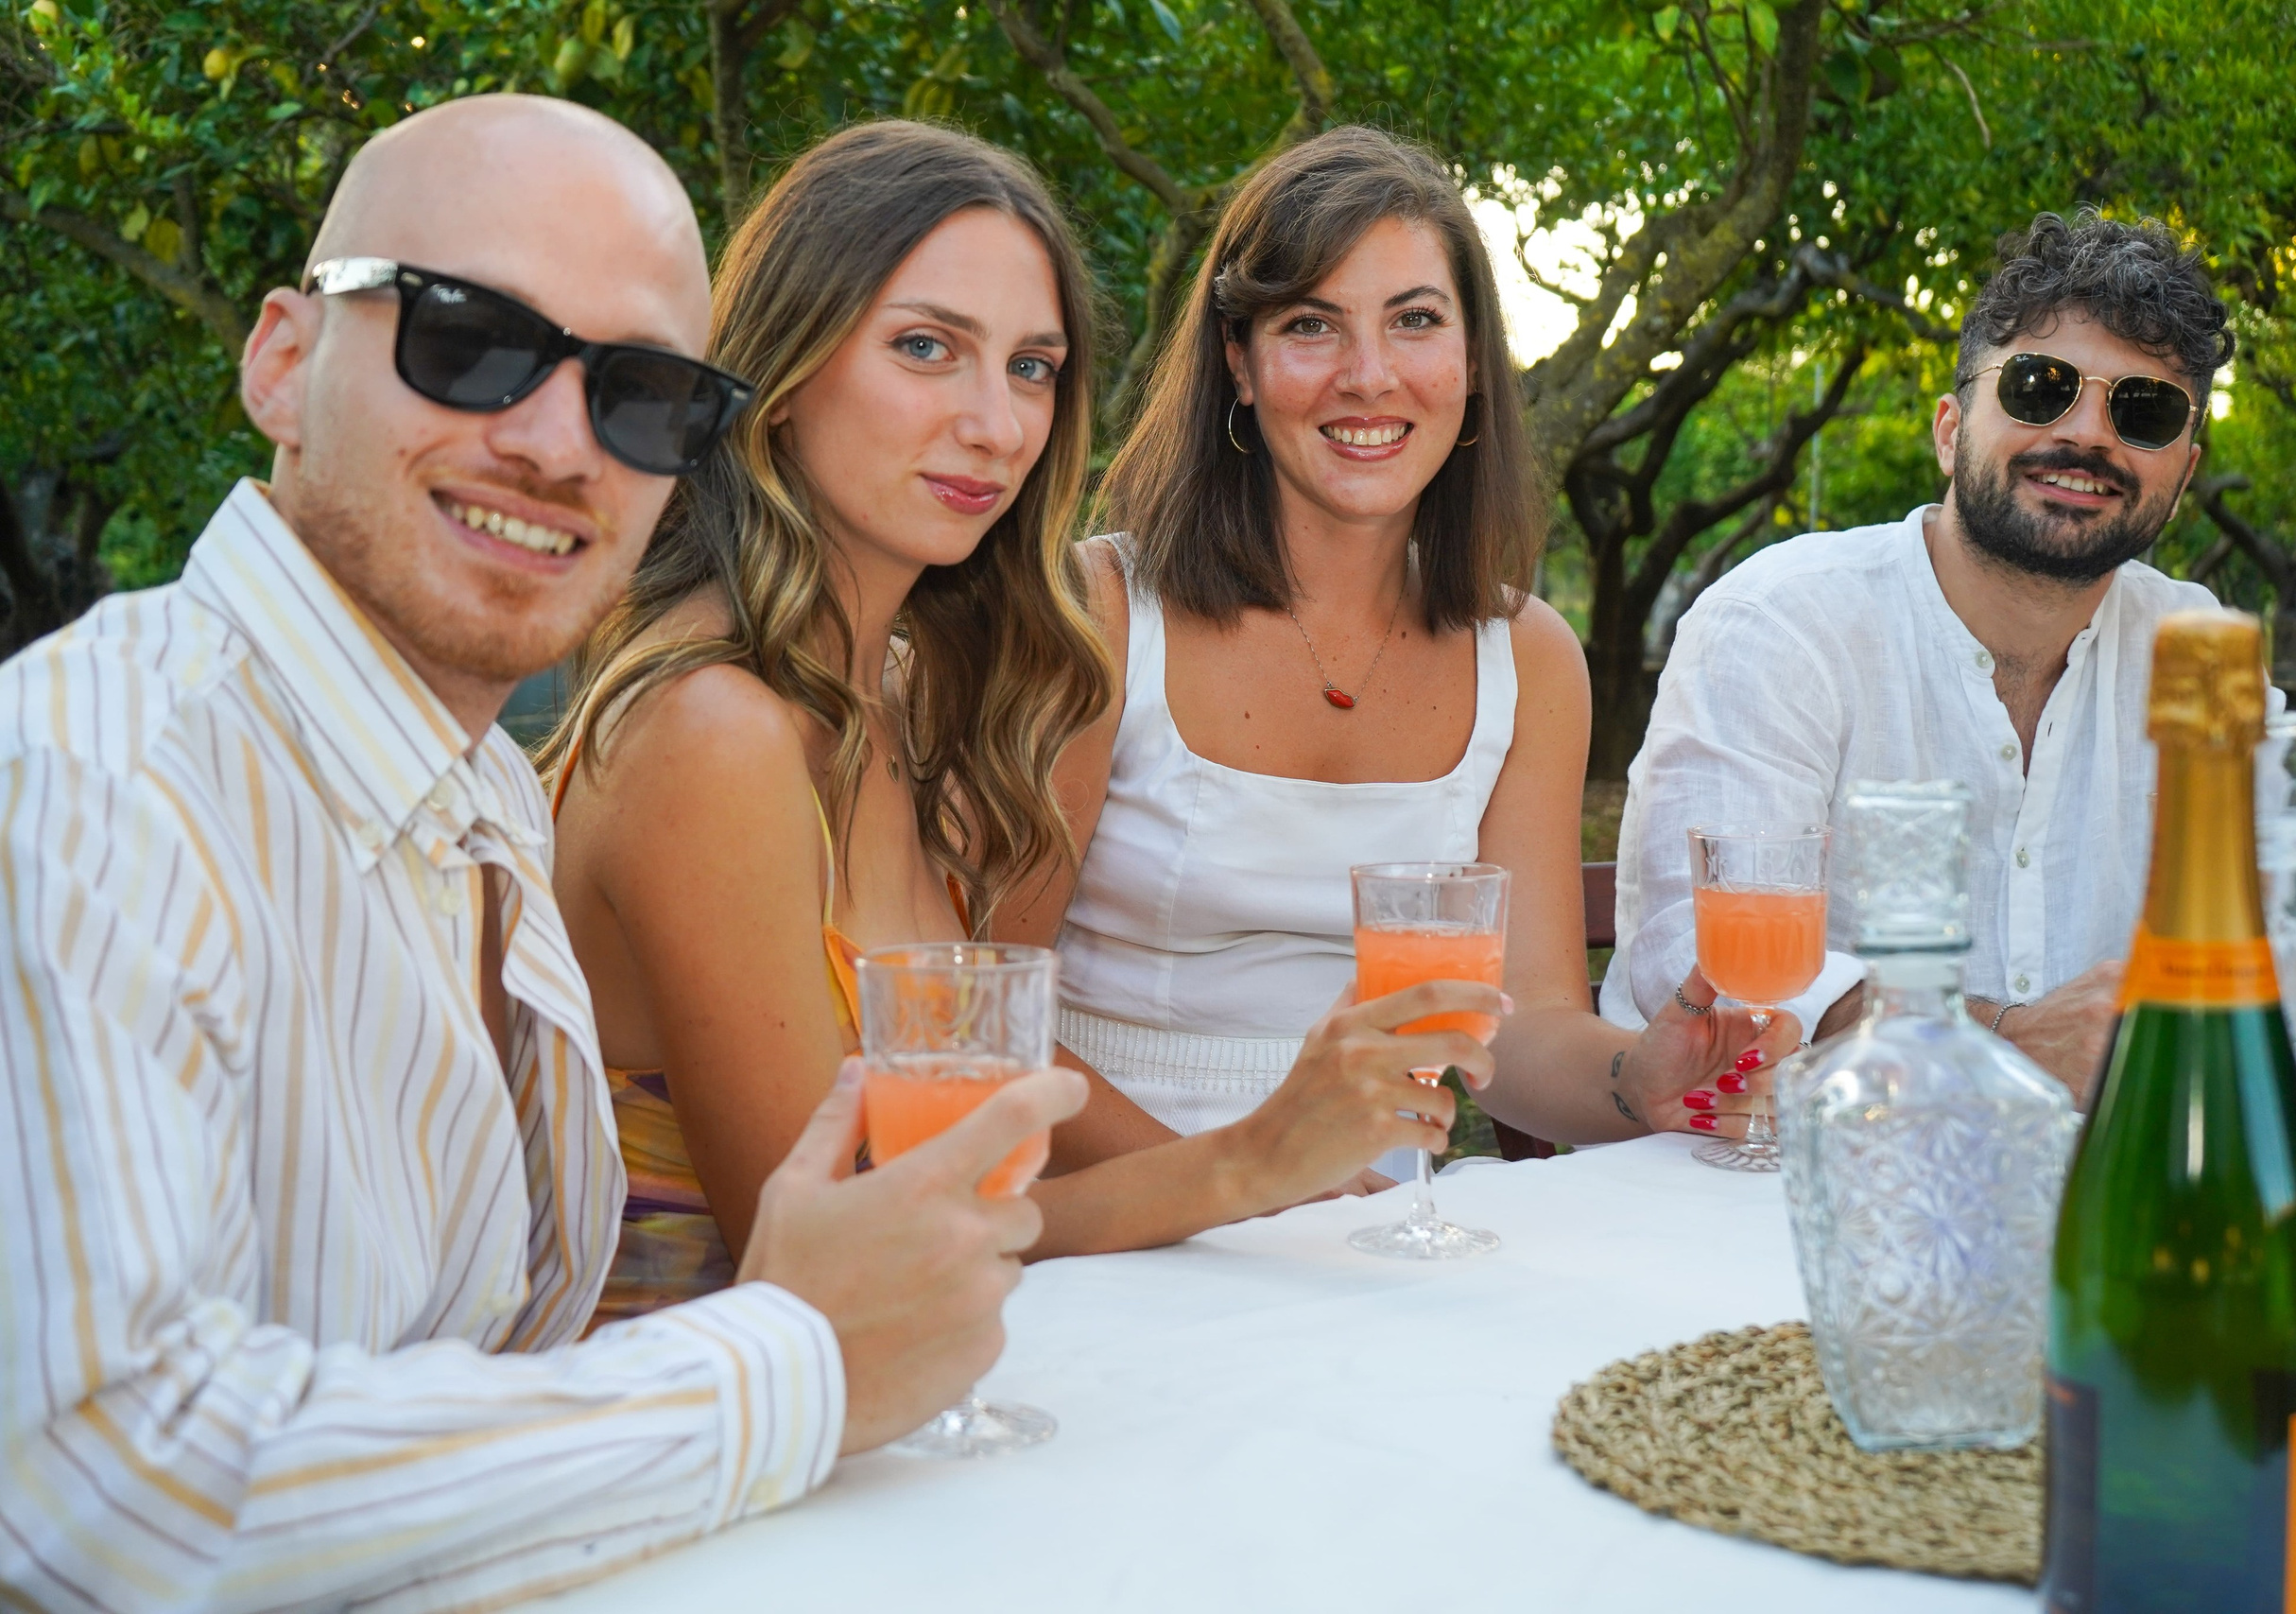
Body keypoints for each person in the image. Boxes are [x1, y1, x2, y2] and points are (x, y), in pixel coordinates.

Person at [0, 96, 1088, 1614]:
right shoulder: (90, 779)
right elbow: (105, 1489)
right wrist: (784, 1361)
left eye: (639, 394)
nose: (555, 442)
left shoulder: (478, 792)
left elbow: (494, 1360)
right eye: (468, 338)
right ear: (282, 359)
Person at [545, 120, 1528, 1285]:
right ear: (785, 369)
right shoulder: (712, 727)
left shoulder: (896, 699)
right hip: (704, 1420)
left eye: (1031, 368)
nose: (996, 424)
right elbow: (833, 1255)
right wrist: (1247, 1166)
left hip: (906, 1382)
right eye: (925, 347)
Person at [994, 125, 1787, 1158]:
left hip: (1382, 1228)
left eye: (1414, 321)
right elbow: (991, 1015)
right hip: (1114, 1213)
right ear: (1238, 364)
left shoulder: (1528, 657)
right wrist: (1236, 1183)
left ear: (1468, 364)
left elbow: (1532, 1025)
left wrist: (1637, 1079)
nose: (1368, 376)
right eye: (1311, 326)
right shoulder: (1102, 613)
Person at [1606, 210, 2296, 1100]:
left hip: (2097, 1182)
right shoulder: (1782, 623)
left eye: (2145, 412)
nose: (2090, 437)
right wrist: (1999, 1042)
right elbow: (1695, 953)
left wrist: (2237, 1025)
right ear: (1951, 431)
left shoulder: (2194, 644)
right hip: (1765, 1181)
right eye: (2040, 387)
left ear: (2184, 476)